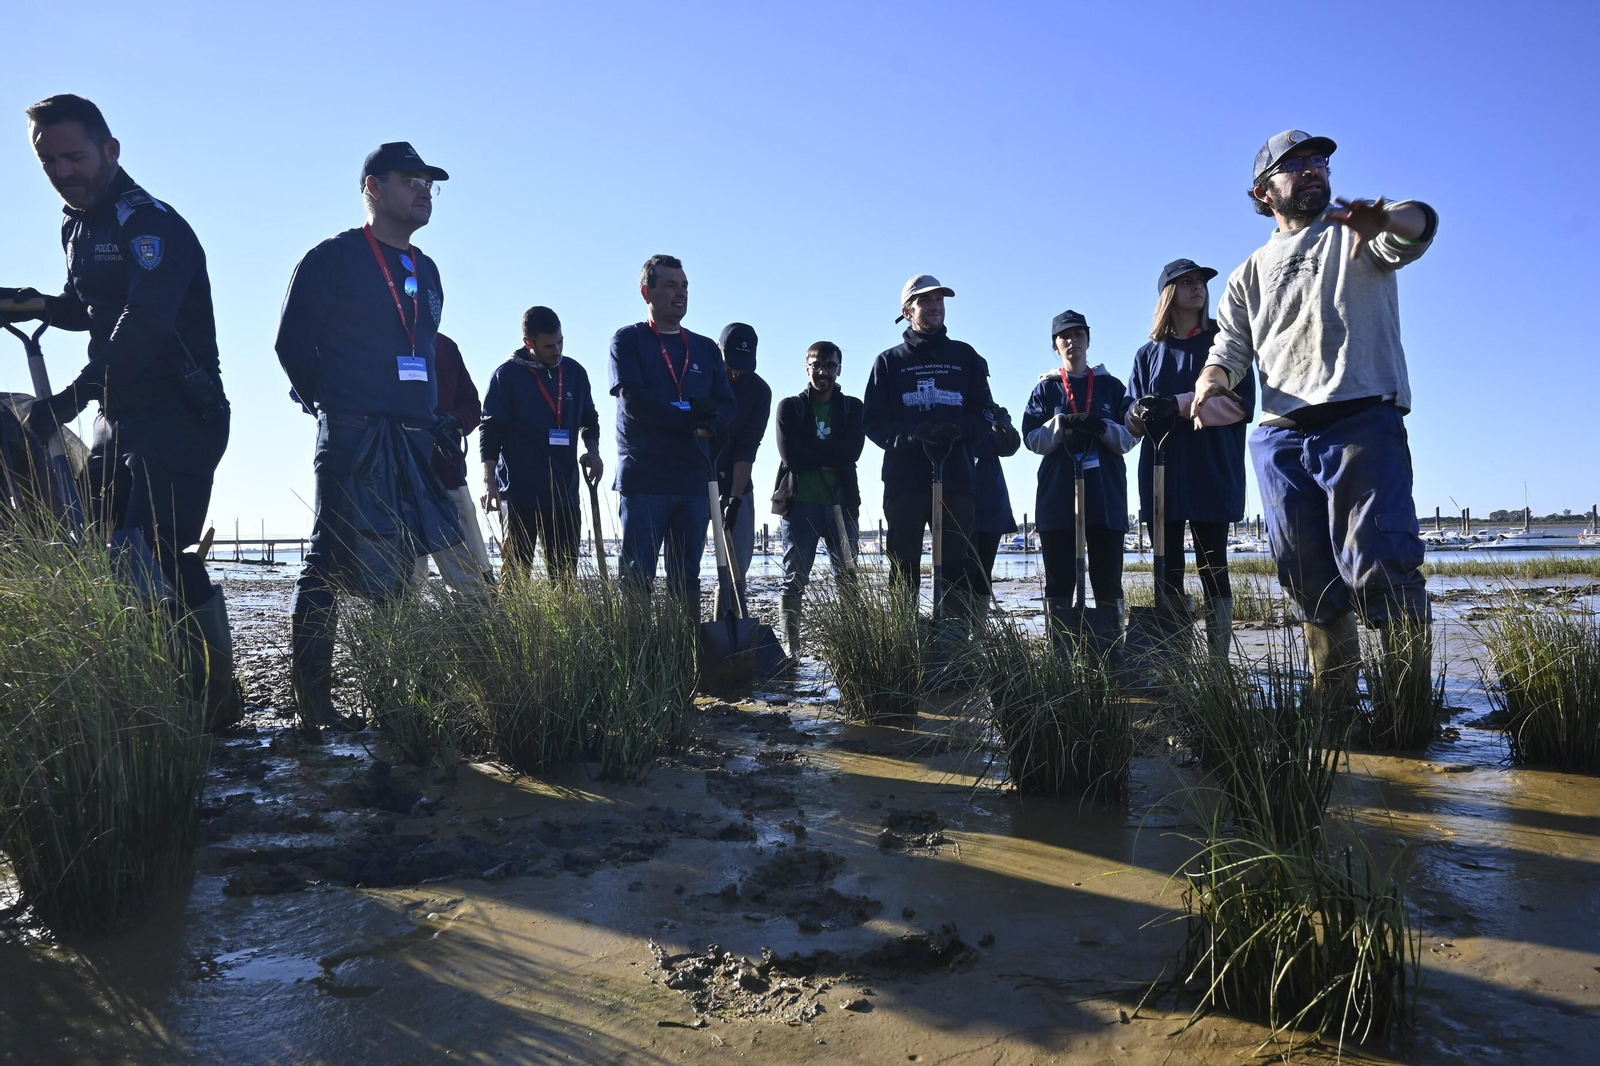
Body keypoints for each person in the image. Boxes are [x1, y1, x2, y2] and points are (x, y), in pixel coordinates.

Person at [1, 94, 237, 726]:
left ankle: (211, 706)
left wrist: (68, 400)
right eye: (47, 161)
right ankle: (151, 695)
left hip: (179, 410)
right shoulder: (76, 227)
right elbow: (89, 307)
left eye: (74, 156)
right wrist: (34, 305)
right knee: (109, 545)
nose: (62, 171)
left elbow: (145, 325)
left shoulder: (150, 223)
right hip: (117, 413)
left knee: (154, 551)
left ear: (111, 149)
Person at [1193, 130, 1438, 703]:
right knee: (1307, 579)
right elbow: (1229, 350)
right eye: (1294, 165)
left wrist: (1392, 218)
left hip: (1360, 418)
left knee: (1382, 563)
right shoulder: (1247, 273)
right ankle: (1333, 709)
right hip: (1280, 434)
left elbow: (1418, 226)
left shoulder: (1358, 230)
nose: (1312, 170)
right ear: (1262, 191)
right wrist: (1209, 385)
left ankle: (1409, 717)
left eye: (1319, 161)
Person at [275, 141, 463, 735]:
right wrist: (333, 403)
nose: (424, 189)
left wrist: (433, 418)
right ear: (373, 188)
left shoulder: (427, 270)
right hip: (353, 432)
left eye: (430, 181)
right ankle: (314, 703)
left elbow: (422, 352)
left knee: (401, 561)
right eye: (411, 180)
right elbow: (290, 345)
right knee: (329, 560)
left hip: (413, 435)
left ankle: (390, 696)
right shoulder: (332, 258)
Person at [1125, 259, 1255, 664]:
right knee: (1167, 568)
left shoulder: (1223, 343)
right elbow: (1130, 418)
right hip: (1163, 472)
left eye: (1200, 281)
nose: (1197, 287)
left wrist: (1178, 405)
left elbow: (1240, 406)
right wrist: (1139, 413)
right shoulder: (1148, 354)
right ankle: (1170, 662)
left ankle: (1217, 665)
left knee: (1214, 565)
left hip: (1211, 468)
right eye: (1186, 282)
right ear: (1168, 293)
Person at [862, 274, 995, 621]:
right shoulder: (889, 362)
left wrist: (960, 428)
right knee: (903, 563)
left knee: (955, 564)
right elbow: (873, 422)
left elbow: (985, 414)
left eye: (940, 300)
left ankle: (950, 644)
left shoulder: (966, 357)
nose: (935, 306)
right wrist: (909, 435)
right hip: (905, 481)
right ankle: (904, 637)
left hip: (956, 478)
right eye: (926, 301)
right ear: (908, 311)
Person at [609, 255, 735, 611]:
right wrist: (688, 421)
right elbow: (634, 401)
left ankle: (685, 660)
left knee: (686, 578)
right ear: (647, 292)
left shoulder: (706, 348)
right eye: (670, 286)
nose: (680, 294)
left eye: (684, 287)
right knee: (637, 577)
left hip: (694, 480)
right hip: (645, 478)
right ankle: (637, 659)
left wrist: (712, 417)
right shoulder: (628, 341)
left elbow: (727, 405)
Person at [1021, 310, 1136, 647]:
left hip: (1105, 500)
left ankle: (1109, 652)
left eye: (1078, 334)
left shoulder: (1112, 387)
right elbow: (1030, 440)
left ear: (1089, 339)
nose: (1072, 341)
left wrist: (1102, 427)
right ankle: (1063, 655)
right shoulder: (1045, 390)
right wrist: (1062, 426)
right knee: (1059, 584)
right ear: (1056, 346)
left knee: (1108, 583)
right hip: (1058, 502)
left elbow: (1130, 438)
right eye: (1064, 337)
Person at [479, 306, 602, 578]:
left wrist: (593, 451)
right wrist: (489, 482)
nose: (557, 350)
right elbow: (490, 430)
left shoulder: (574, 373)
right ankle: (512, 619)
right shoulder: (506, 376)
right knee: (516, 573)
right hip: (520, 492)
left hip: (563, 491)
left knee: (564, 575)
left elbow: (589, 417)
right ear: (528, 343)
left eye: (560, 342)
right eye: (548, 346)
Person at [770, 341, 865, 656]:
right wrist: (829, 455)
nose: (823, 372)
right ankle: (791, 648)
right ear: (806, 367)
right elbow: (792, 457)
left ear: (839, 369)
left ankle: (853, 647)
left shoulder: (853, 408)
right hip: (801, 506)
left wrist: (815, 451)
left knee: (848, 579)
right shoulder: (790, 407)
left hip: (842, 503)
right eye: (817, 365)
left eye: (830, 366)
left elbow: (851, 453)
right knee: (794, 578)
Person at [414, 331, 492, 593]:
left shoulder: (446, 347)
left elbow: (472, 404)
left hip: (447, 476)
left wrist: (455, 421)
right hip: (397, 482)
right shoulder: (379, 341)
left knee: (470, 575)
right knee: (406, 580)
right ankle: (403, 631)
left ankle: (477, 627)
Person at [714, 322, 772, 610]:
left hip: (737, 479)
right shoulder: (701, 378)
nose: (735, 372)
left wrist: (735, 499)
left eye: (743, 366)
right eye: (731, 364)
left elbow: (748, 447)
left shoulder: (759, 391)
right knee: (684, 565)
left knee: (739, 564)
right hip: (696, 478)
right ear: (718, 350)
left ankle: (731, 616)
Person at [970, 403, 1021, 598]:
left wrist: (1001, 422)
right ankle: (957, 624)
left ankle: (979, 626)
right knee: (961, 570)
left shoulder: (989, 411)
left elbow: (1009, 447)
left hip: (991, 503)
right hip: (957, 502)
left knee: (983, 572)